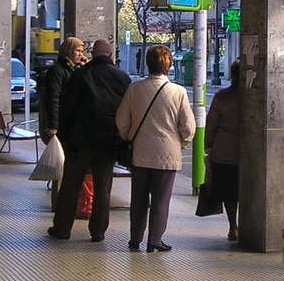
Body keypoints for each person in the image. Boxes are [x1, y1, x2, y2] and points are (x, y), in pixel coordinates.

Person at [48, 39, 131, 241]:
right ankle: (98, 231)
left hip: (80, 141)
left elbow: (68, 108)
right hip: (109, 141)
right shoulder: (123, 78)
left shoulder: (80, 75)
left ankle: (62, 229)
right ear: (111, 56)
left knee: (71, 184)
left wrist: (64, 136)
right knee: (103, 187)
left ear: (92, 55)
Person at [116, 45, 195, 253]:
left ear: (148, 63)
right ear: (169, 65)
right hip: (167, 154)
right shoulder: (178, 92)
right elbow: (188, 126)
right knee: (161, 200)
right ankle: (155, 240)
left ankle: (135, 238)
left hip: (140, 152)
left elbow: (121, 120)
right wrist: (182, 142)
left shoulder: (135, 89)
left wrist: (129, 136)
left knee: (138, 198)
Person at [38, 36, 87, 208]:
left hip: (71, 124)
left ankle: (65, 201)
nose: (80, 54)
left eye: (82, 51)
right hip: (62, 125)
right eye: (77, 50)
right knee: (60, 164)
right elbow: (54, 99)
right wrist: (53, 126)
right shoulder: (57, 71)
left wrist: (85, 66)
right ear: (68, 51)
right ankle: (57, 202)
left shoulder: (74, 69)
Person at [204, 60, 241, 241]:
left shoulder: (222, 97)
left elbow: (211, 124)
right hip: (249, 152)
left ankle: (233, 226)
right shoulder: (254, 98)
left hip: (224, 151)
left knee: (228, 192)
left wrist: (208, 145)